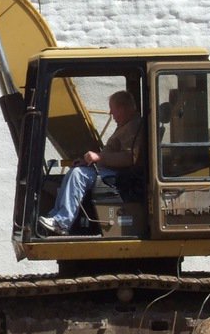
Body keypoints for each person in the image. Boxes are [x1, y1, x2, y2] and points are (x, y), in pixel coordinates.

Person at [38, 90, 144, 236]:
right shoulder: (126, 125)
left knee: (78, 175)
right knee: (75, 171)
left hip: (121, 176)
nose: (111, 115)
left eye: (113, 112)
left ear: (122, 108)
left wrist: (99, 158)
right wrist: (87, 161)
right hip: (111, 170)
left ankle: (62, 221)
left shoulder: (134, 127)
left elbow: (129, 158)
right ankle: (56, 216)